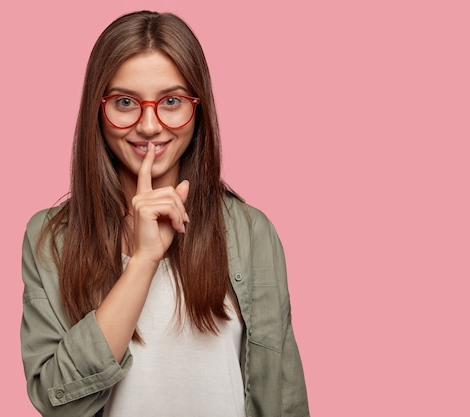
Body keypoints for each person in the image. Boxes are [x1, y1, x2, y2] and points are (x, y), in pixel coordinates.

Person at [21, 10, 309, 417]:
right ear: (96, 111)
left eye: (171, 101)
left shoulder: (251, 232)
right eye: (125, 102)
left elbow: (283, 397)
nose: (150, 125)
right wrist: (142, 261)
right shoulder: (50, 239)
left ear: (199, 108)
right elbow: (57, 401)